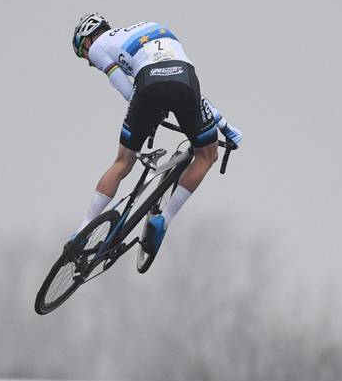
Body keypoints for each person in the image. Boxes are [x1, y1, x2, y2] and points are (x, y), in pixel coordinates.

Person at [71, 14, 242, 256]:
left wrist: (151, 115)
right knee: (207, 155)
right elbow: (194, 90)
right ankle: (164, 220)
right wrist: (225, 127)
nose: (88, 62)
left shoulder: (99, 47)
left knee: (122, 162)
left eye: (82, 54)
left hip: (149, 84)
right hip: (186, 80)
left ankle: (81, 232)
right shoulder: (153, 26)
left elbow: (126, 89)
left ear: (87, 40)